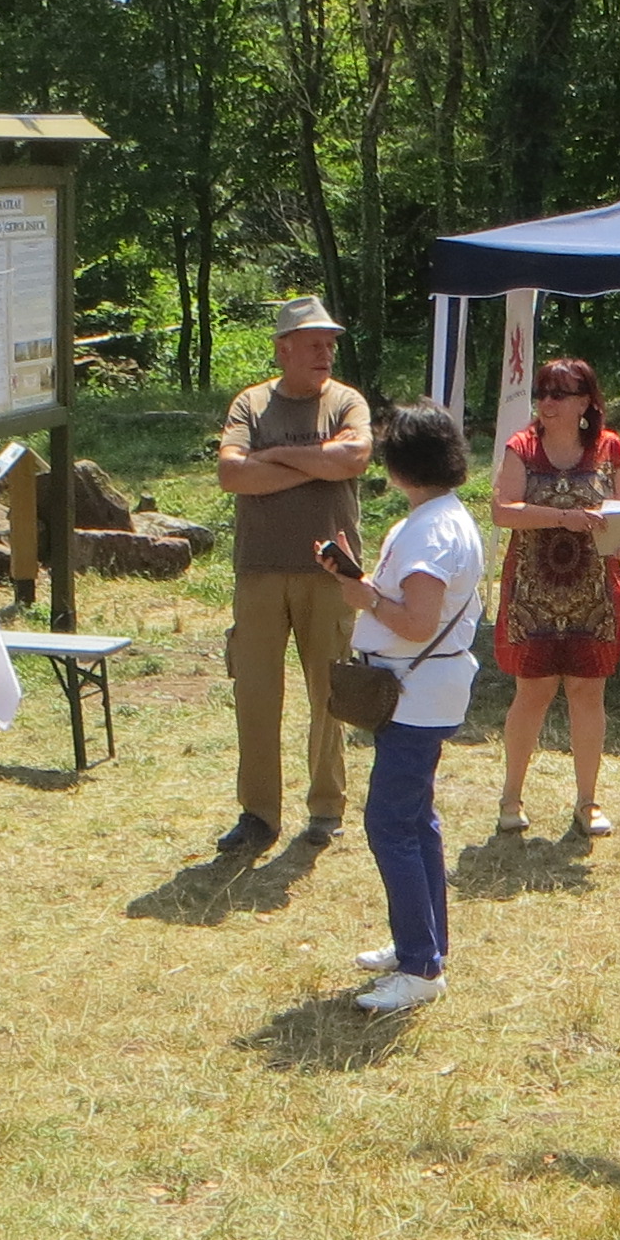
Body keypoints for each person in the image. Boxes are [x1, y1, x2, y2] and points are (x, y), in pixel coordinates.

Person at [330, 401, 483, 1012]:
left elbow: (418, 622)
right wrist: (364, 585)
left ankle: (421, 967)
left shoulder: (429, 530)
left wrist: (364, 597)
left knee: (390, 824)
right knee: (416, 821)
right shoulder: (440, 518)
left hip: (416, 693)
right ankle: (421, 943)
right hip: (423, 688)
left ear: (398, 465)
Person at [213, 296, 374, 858]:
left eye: (329, 344)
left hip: (330, 572)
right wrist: (314, 465)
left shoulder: (346, 401)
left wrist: (274, 457)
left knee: (329, 693)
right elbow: (232, 474)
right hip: (259, 569)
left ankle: (327, 808)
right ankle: (258, 814)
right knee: (256, 695)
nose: (325, 353)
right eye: (313, 344)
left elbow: (352, 460)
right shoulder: (251, 403)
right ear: (284, 349)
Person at [489, 356, 620, 837]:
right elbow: (502, 512)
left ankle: (588, 802)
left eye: (559, 393)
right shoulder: (522, 447)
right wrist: (564, 519)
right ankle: (511, 797)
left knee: (587, 692)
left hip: (593, 592)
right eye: (543, 393)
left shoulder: (612, 449)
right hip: (533, 592)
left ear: (585, 402)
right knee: (532, 693)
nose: (547, 402)